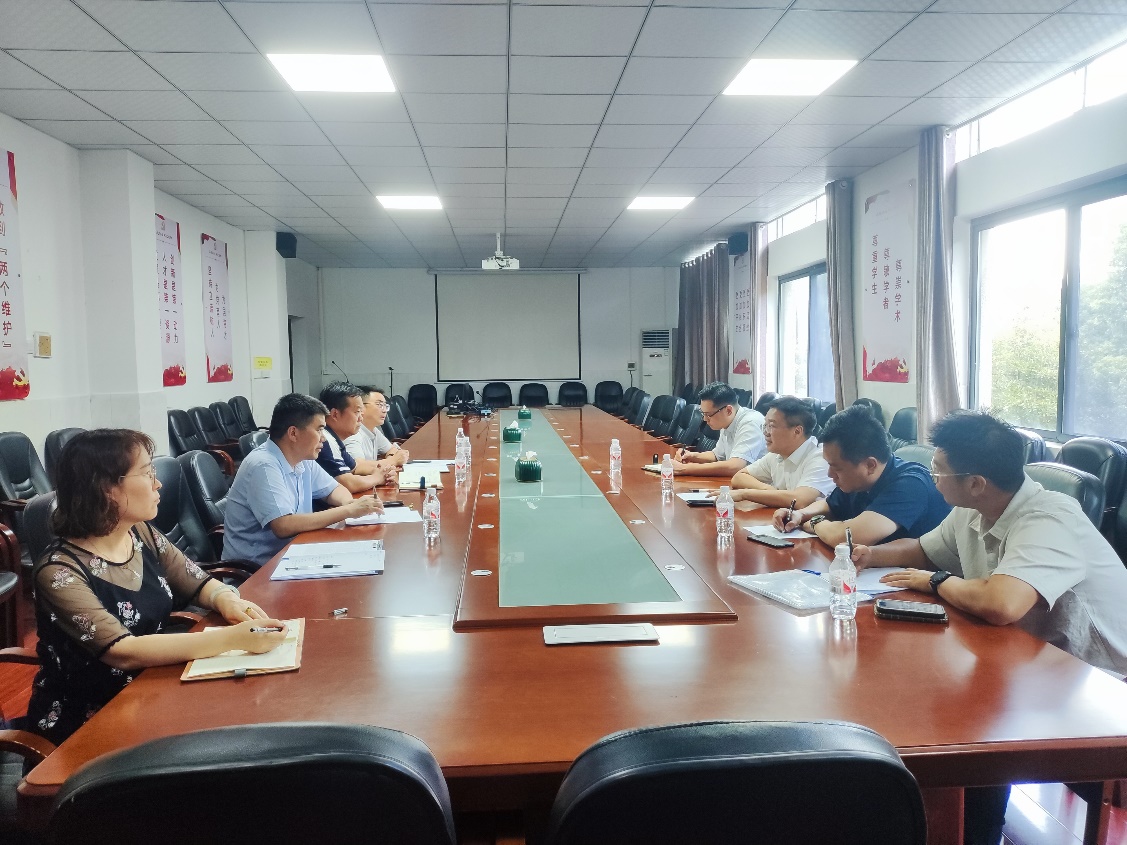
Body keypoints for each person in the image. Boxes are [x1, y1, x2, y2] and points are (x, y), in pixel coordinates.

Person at [853, 410, 1127, 845]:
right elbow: (925, 551)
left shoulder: (1049, 517)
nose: (932, 477)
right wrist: (870, 554)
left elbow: (1001, 604)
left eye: (938, 470)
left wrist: (937, 582)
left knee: (969, 719)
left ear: (976, 482)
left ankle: (969, 827)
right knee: (930, 695)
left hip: (1099, 682)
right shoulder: (973, 508)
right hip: (1032, 658)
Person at [26, 429, 287, 746]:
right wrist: (232, 639)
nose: (157, 483)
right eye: (147, 473)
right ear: (106, 488)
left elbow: (196, 581)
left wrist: (226, 600)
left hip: (154, 685)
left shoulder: (138, 533)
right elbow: (123, 652)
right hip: (90, 724)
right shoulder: (59, 572)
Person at [223, 393, 383, 566]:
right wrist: (349, 510)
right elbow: (283, 526)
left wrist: (349, 504)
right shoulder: (263, 465)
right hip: (259, 569)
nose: (323, 438)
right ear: (293, 433)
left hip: (296, 553)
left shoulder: (304, 459)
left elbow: (335, 489)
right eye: (319, 430)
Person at [773, 404, 949, 547]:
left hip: (920, 577)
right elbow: (830, 504)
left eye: (836, 468)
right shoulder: (858, 480)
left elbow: (847, 538)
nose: (830, 474)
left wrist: (815, 522)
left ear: (870, 465)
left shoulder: (911, 484)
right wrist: (800, 514)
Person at [727, 396, 834, 509]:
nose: (765, 432)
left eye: (771, 426)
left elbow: (799, 500)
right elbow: (739, 477)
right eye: (765, 425)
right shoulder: (777, 454)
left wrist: (744, 494)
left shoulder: (821, 457)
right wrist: (767, 489)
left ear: (797, 431)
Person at [672, 381, 765, 477]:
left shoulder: (750, 422)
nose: (705, 419)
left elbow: (735, 466)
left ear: (728, 410)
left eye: (708, 414)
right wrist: (692, 456)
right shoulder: (727, 421)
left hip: (758, 484)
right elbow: (717, 455)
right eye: (703, 414)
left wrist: (684, 469)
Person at [316, 381, 393, 491]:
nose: (361, 418)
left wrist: (383, 471)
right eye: (357, 412)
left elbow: (355, 467)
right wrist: (377, 478)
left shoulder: (335, 439)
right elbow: (348, 483)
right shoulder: (324, 439)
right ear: (335, 414)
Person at [343, 386, 409, 474]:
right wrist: (393, 461)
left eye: (385, 406)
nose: (385, 411)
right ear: (360, 407)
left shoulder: (372, 429)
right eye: (380, 405)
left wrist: (390, 459)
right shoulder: (352, 435)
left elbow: (391, 449)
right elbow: (358, 467)